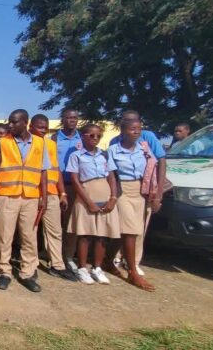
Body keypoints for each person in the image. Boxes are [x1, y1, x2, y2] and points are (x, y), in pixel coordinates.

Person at [0, 109, 51, 293]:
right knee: (5, 236)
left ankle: (27, 273)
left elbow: (43, 172)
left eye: (14, 122)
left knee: (29, 237)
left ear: (25, 122)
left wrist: (44, 197)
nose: (10, 125)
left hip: (31, 196)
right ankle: (4, 272)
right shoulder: (2, 142)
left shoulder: (40, 142)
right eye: (9, 121)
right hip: (8, 195)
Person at [108, 110, 166, 274]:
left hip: (143, 189)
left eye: (138, 126)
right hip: (123, 189)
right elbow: (111, 173)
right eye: (130, 125)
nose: (136, 130)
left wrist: (158, 194)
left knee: (139, 228)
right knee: (127, 228)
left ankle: (133, 261)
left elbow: (159, 162)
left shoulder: (145, 143)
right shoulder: (114, 145)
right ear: (122, 126)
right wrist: (114, 194)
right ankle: (122, 262)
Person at [66, 124, 120, 285]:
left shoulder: (104, 155)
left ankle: (97, 267)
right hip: (86, 196)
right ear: (83, 136)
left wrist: (113, 198)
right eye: (91, 135)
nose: (95, 138)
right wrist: (88, 202)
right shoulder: (76, 156)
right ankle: (82, 268)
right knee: (85, 235)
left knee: (102, 235)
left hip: (105, 194)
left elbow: (111, 177)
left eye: (98, 136)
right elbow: (75, 180)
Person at [29, 115, 77, 282]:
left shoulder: (50, 144)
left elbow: (56, 170)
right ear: (30, 127)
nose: (43, 130)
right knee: (31, 231)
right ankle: (31, 264)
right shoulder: (27, 143)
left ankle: (57, 264)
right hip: (32, 193)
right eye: (40, 127)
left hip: (51, 193)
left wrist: (62, 193)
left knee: (55, 231)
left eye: (46, 127)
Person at [51, 108, 82, 271]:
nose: (72, 120)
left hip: (75, 185)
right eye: (69, 117)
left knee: (72, 222)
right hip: (57, 184)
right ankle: (53, 254)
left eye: (75, 117)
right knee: (56, 222)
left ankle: (68, 255)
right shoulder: (55, 139)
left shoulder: (82, 138)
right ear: (63, 119)